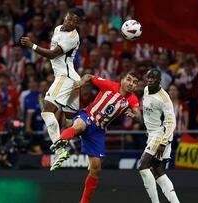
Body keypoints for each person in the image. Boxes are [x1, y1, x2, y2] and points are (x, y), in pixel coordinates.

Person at [51, 72, 142, 202]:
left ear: (136, 86)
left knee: (96, 169)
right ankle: (60, 142)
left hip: (98, 131)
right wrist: (80, 83)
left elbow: (140, 117)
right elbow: (89, 76)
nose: (130, 83)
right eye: (128, 79)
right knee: (79, 127)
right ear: (121, 80)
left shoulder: (132, 99)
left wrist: (135, 116)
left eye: (134, 82)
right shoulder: (109, 85)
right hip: (87, 116)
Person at [20, 8, 85, 170]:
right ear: (65, 17)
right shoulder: (58, 29)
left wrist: (32, 46)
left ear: (78, 24)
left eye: (75, 22)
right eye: (70, 19)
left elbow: (52, 54)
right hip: (73, 79)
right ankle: (81, 143)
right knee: (71, 120)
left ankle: (60, 149)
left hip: (65, 78)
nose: (71, 23)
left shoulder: (73, 37)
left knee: (47, 112)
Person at [138, 69, 180, 203]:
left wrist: (163, 142)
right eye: (148, 77)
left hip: (160, 135)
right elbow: (148, 115)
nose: (150, 80)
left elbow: (171, 122)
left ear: (159, 80)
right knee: (158, 172)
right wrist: (137, 118)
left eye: (153, 78)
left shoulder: (164, 98)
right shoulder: (145, 90)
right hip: (151, 134)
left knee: (142, 166)